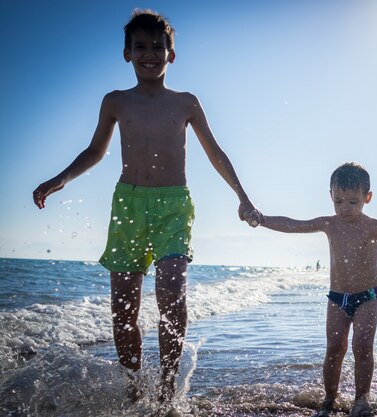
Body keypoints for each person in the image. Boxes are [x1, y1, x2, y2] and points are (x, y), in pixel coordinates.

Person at [32, 9, 258, 405]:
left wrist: (243, 197)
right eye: (141, 47)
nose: (149, 54)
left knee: (172, 293)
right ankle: (134, 388)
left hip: (173, 204)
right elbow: (94, 152)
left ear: (171, 54)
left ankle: (168, 388)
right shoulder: (115, 102)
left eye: (158, 47)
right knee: (124, 309)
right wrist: (60, 179)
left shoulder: (186, 102)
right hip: (128, 206)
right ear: (127, 54)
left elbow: (215, 152)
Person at [252, 162, 377, 417]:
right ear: (330, 196)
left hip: (367, 297)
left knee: (363, 347)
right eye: (339, 201)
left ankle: (361, 399)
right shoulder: (329, 224)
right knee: (334, 348)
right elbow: (293, 224)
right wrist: (262, 219)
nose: (344, 208)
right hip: (337, 298)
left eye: (352, 202)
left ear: (367, 198)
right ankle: (329, 399)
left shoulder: (372, 225)